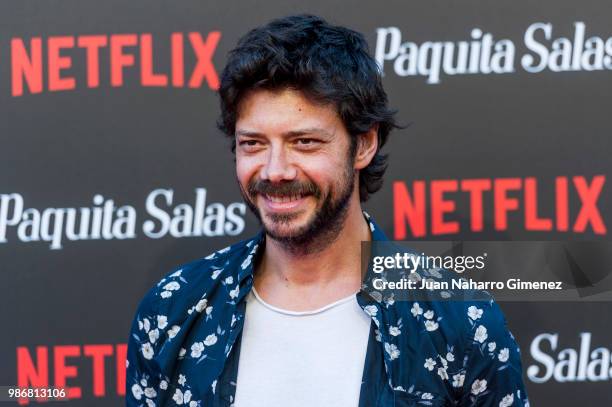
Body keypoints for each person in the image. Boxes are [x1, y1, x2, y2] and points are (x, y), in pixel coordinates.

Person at [126, 14, 529, 407]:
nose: (275, 170)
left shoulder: (458, 322)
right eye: (253, 143)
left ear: (364, 145)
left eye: (304, 142)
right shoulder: (173, 310)